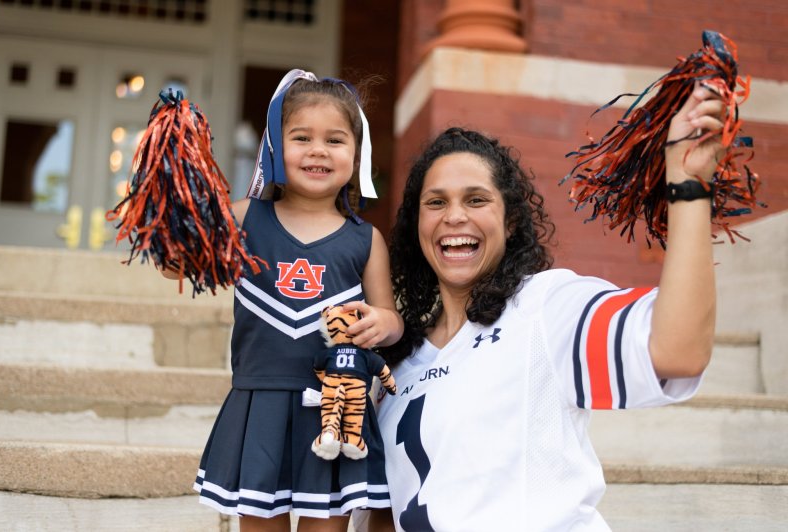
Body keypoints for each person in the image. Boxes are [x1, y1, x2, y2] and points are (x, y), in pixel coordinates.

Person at [365, 82, 722, 531]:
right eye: (436, 203)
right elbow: (382, 514)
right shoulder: (396, 365)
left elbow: (677, 351)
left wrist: (689, 187)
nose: (454, 216)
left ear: (510, 220)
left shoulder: (544, 308)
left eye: (476, 200)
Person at [164, 69, 404, 532]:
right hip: (260, 404)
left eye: (335, 140)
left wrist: (382, 324)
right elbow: (181, 267)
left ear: (358, 155)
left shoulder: (366, 240)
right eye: (301, 137)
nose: (318, 150)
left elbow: (389, 316)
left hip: (334, 409)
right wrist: (175, 226)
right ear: (275, 146)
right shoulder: (243, 217)